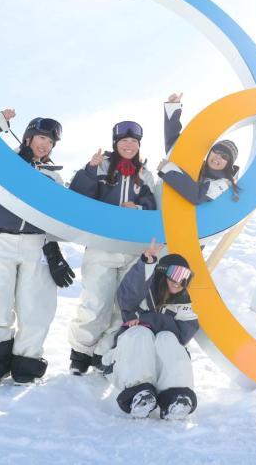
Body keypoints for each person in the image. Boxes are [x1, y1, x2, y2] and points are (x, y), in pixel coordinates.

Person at [0, 110, 74, 385]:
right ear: (29, 137)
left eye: (51, 142)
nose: (45, 145)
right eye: (41, 137)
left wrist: (53, 248)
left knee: (37, 307)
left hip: (36, 244)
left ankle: (25, 365)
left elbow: (59, 218)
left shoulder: (53, 179)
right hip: (0, 240)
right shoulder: (5, 162)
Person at [67, 120, 158, 375]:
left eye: (133, 142)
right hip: (102, 246)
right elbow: (78, 198)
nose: (128, 145)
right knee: (96, 302)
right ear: (115, 144)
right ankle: (81, 352)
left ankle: (103, 353)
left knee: (123, 305)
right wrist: (89, 170)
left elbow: (153, 208)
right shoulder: (103, 166)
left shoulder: (145, 174)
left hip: (131, 248)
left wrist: (138, 209)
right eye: (124, 141)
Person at [103, 242, 199, 420]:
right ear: (162, 273)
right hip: (129, 361)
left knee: (168, 338)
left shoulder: (183, 301)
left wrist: (148, 320)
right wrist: (147, 264)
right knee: (140, 333)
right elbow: (127, 296)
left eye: (185, 276)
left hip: (159, 367)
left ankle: (176, 396)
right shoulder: (144, 291)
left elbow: (184, 334)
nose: (180, 281)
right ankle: (138, 394)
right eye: (176, 274)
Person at [158, 92, 240, 204]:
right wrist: (173, 109)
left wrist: (169, 170)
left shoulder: (224, 183)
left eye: (224, 156)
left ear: (228, 164)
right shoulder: (198, 167)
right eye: (216, 151)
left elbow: (198, 195)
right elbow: (175, 148)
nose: (218, 157)